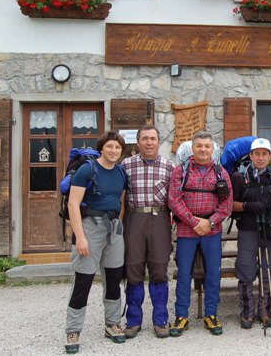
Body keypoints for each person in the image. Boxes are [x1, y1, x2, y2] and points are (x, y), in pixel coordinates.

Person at [64, 131, 128, 354]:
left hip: (113, 230)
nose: (113, 151)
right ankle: (73, 330)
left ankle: (112, 324)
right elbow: (73, 204)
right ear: (102, 148)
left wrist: (119, 225)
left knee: (113, 279)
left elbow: (120, 201)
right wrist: (80, 237)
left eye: (117, 148)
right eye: (110, 146)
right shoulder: (87, 170)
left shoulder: (121, 172)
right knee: (83, 281)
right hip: (90, 227)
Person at [168, 131, 233, 337]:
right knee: (184, 273)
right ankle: (181, 316)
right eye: (199, 146)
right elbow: (174, 200)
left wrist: (211, 222)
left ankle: (211, 315)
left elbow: (227, 204)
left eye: (207, 146)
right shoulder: (181, 170)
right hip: (187, 229)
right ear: (192, 148)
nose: (203, 149)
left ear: (212, 149)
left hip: (212, 230)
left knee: (213, 273)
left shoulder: (221, 172)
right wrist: (194, 221)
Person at [121, 125, 175, 339]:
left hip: (160, 219)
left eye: (153, 138)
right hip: (134, 219)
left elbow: (175, 198)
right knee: (133, 269)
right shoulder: (126, 165)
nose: (149, 142)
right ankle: (133, 321)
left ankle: (160, 320)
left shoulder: (169, 167)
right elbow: (121, 197)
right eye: (145, 138)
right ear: (138, 142)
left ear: (159, 142)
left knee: (159, 269)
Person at [231, 138, 271, 329]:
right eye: (257, 154)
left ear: (270, 156)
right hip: (247, 228)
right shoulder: (239, 176)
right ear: (251, 156)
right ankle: (247, 311)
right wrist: (246, 206)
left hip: (269, 229)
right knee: (246, 268)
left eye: (264, 154)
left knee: (269, 268)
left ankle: (265, 310)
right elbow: (229, 206)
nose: (260, 158)